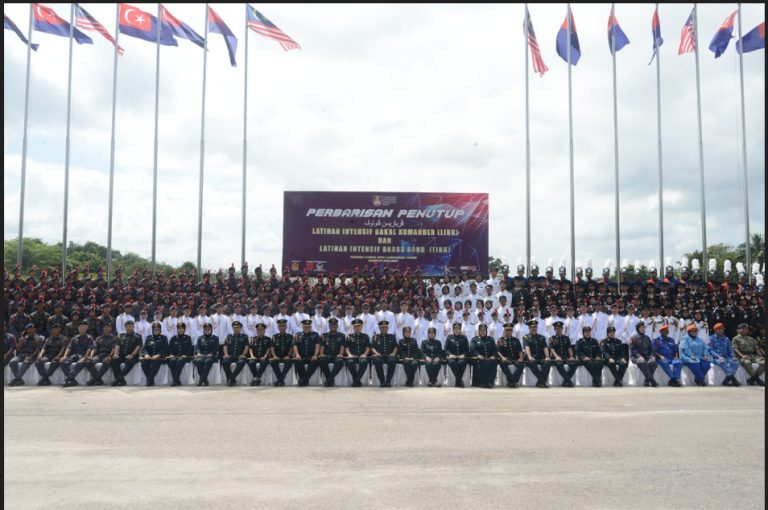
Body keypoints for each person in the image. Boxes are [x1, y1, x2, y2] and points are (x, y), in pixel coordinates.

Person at [110, 320, 142, 386]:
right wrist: (115, 354)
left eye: (130, 326)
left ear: (133, 327)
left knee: (130, 362)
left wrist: (132, 355)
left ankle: (117, 379)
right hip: (122, 355)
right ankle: (122, 381)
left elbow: (138, 347)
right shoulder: (121, 336)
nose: (128, 328)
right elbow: (117, 345)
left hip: (133, 356)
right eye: (127, 326)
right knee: (113, 361)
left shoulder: (138, 336)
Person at [708, 323, 741, 387]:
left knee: (736, 362)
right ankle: (732, 379)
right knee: (723, 362)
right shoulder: (711, 338)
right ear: (715, 330)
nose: (721, 330)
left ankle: (727, 379)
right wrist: (718, 356)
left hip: (726, 356)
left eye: (722, 329)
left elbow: (730, 349)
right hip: (715, 357)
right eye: (719, 329)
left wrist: (733, 356)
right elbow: (710, 350)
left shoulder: (726, 339)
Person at [61, 322, 92, 387]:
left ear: (86, 328)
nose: (81, 328)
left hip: (83, 355)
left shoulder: (89, 337)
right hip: (74, 355)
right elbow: (69, 347)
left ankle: (67, 379)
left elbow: (89, 348)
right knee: (62, 362)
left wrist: (85, 357)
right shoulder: (74, 338)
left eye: (83, 326)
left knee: (79, 363)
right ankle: (73, 381)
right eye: (80, 327)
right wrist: (64, 356)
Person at [629, 323, 659, 387]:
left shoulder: (647, 338)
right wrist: (639, 356)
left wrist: (651, 356)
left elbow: (651, 349)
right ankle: (653, 381)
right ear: (638, 329)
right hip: (636, 357)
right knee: (643, 363)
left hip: (647, 356)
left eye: (643, 327)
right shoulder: (633, 338)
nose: (643, 329)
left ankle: (647, 381)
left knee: (653, 363)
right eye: (641, 328)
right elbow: (632, 350)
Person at [549, 321, 578, 387]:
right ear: (554, 329)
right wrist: (556, 357)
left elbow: (569, 348)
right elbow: (552, 349)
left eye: (559, 328)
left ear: (562, 329)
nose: (558, 330)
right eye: (556, 328)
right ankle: (568, 381)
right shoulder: (552, 338)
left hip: (565, 357)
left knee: (575, 363)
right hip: (556, 358)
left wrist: (571, 356)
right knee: (559, 364)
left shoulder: (566, 338)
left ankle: (565, 381)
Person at [293, 319, 321, 387]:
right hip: (301, 356)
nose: (306, 328)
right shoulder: (298, 335)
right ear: (302, 327)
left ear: (311, 327)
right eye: (305, 327)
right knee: (297, 361)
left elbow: (317, 346)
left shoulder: (315, 334)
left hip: (311, 356)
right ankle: (305, 380)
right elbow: (295, 346)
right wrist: (297, 355)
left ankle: (303, 380)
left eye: (308, 327)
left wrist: (315, 355)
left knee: (315, 361)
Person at [140, 322, 169, 387]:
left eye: (158, 329)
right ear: (152, 330)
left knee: (155, 364)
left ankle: (148, 381)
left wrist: (158, 355)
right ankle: (151, 380)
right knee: (144, 363)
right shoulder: (148, 338)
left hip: (159, 357)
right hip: (149, 357)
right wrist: (146, 355)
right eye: (155, 329)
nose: (156, 331)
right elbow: (144, 348)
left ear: (160, 330)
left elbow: (165, 348)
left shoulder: (164, 338)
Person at [523, 319, 550, 388]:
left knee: (547, 362)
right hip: (532, 357)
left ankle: (540, 382)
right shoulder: (526, 337)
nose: (534, 328)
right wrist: (529, 357)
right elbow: (527, 347)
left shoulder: (542, 337)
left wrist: (547, 356)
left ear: (537, 328)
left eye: (535, 327)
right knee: (532, 363)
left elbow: (545, 347)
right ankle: (543, 381)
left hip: (541, 357)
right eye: (532, 327)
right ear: (529, 328)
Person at [318, 318, 345, 387]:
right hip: (327, 355)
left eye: (335, 324)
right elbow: (322, 347)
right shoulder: (324, 336)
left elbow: (342, 346)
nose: (333, 326)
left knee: (340, 362)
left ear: (337, 326)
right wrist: (321, 353)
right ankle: (330, 380)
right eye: (331, 324)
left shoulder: (342, 335)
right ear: (329, 326)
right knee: (321, 360)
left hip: (337, 356)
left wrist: (341, 354)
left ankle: (328, 380)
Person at [371, 320, 398, 387]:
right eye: (382, 327)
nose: (384, 329)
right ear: (379, 328)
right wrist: (376, 353)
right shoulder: (375, 337)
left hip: (389, 355)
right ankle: (382, 381)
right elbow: (372, 347)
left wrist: (393, 353)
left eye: (385, 327)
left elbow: (396, 347)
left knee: (392, 361)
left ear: (388, 328)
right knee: (377, 361)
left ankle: (388, 381)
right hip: (379, 355)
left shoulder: (392, 336)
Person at [222, 320, 249, 386]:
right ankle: (232, 379)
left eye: (238, 328)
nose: (236, 329)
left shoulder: (244, 336)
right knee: (224, 362)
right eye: (234, 328)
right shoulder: (229, 337)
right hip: (230, 356)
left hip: (239, 356)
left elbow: (246, 347)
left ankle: (231, 378)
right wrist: (226, 354)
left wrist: (243, 354)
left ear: (240, 328)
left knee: (241, 362)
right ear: (232, 328)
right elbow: (225, 346)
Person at [497, 322, 524, 388]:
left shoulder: (516, 340)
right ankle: (513, 381)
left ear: (512, 331)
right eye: (507, 330)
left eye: (510, 330)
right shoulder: (500, 340)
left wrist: (521, 358)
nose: (508, 331)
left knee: (522, 364)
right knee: (502, 363)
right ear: (504, 331)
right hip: (506, 359)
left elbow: (520, 350)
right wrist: (502, 357)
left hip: (515, 359)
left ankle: (511, 381)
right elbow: (497, 351)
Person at [470, 323, 498, 388]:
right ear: (479, 331)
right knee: (482, 363)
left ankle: (490, 382)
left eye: (484, 331)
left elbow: (495, 349)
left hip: (489, 358)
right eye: (481, 331)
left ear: (486, 331)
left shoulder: (491, 339)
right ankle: (479, 383)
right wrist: (478, 355)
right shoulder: (474, 339)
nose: (482, 332)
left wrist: (493, 355)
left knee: (493, 363)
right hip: (478, 359)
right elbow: (472, 349)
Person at [345, 318, 370, 387]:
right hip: (352, 356)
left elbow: (367, 348)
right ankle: (358, 381)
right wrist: (349, 355)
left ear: (361, 327)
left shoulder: (365, 336)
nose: (357, 328)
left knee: (364, 362)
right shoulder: (349, 337)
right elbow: (347, 348)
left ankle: (356, 381)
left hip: (362, 356)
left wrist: (365, 354)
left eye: (359, 326)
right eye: (355, 326)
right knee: (350, 363)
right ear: (353, 327)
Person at [167, 322, 194, 386]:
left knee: (180, 361)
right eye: (179, 328)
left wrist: (186, 355)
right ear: (177, 329)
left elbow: (190, 349)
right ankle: (177, 380)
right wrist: (171, 354)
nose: (180, 330)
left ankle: (174, 380)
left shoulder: (188, 338)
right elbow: (169, 349)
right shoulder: (173, 338)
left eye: (182, 328)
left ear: (184, 329)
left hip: (185, 357)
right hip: (174, 357)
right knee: (172, 361)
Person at [444, 322, 470, 387]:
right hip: (452, 357)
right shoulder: (449, 337)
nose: (457, 330)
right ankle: (460, 381)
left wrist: (463, 355)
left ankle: (457, 381)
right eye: (455, 329)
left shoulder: (464, 337)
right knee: (452, 363)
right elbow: (446, 349)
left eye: (458, 329)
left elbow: (467, 349)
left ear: (460, 330)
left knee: (462, 363)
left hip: (461, 357)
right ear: (453, 330)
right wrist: (450, 355)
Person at [270, 319, 294, 386]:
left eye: (283, 326)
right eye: (280, 326)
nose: (282, 327)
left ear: (286, 327)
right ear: (278, 327)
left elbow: (291, 348)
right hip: (277, 356)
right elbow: (272, 347)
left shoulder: (290, 337)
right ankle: (281, 380)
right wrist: (274, 355)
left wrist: (288, 355)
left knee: (289, 362)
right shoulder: (274, 337)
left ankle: (280, 379)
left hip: (286, 356)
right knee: (273, 362)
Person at [193, 322, 219, 387]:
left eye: (209, 329)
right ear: (204, 330)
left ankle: (200, 380)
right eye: (206, 329)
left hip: (211, 356)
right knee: (198, 361)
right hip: (202, 356)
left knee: (208, 361)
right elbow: (197, 347)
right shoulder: (200, 338)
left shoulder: (215, 338)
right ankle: (205, 380)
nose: (207, 330)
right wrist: (198, 353)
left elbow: (216, 348)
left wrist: (211, 354)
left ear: (211, 330)